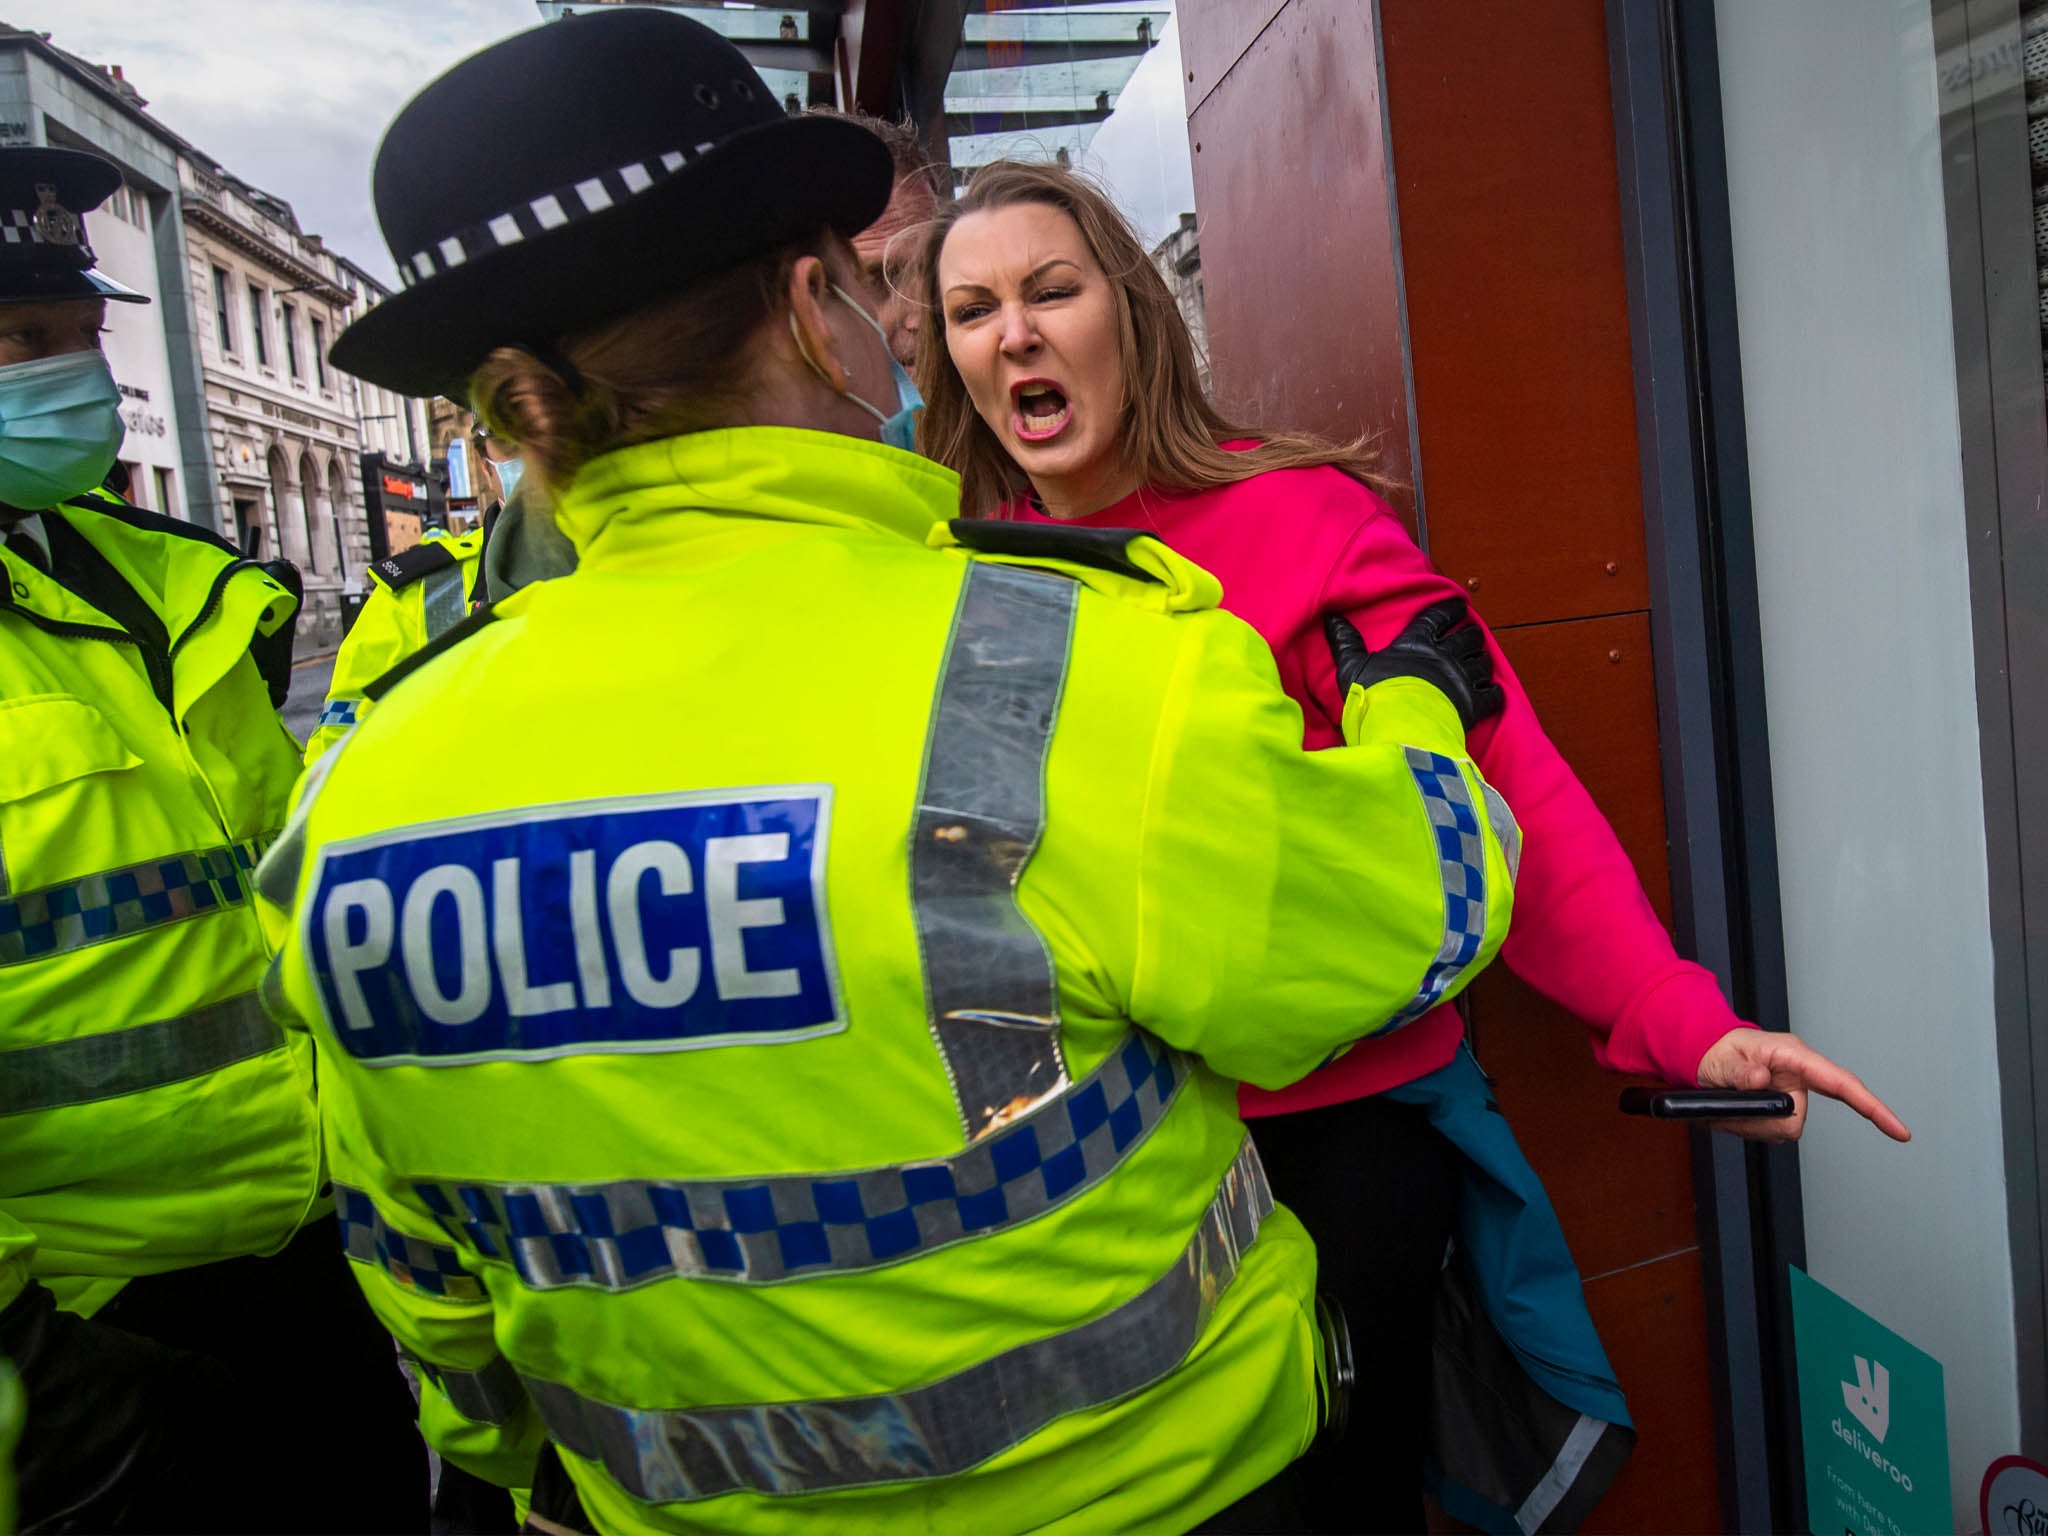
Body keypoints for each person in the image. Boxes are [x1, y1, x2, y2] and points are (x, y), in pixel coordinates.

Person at [264, 11, 1521, 1534]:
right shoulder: (1068, 667)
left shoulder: (358, 789)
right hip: (1171, 1495)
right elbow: (1397, 924)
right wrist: (1411, 709)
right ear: (811, 308)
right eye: (880, 288)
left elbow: (424, 1283)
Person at [913, 158, 1913, 1532]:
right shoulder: (952, 587)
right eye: (971, 311)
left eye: (1048, 291)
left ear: (1128, 313)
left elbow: (1509, 794)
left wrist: (1677, 1019)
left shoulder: (1304, 521)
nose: (1010, 332)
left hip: (1338, 1153)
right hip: (1098, 1171)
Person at [0, 147, 424, 1532]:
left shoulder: (155, 585)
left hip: (313, 1254)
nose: (70, 380)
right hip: (86, 1326)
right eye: (18, 344)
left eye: (75, 340)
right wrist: (42, 1395)